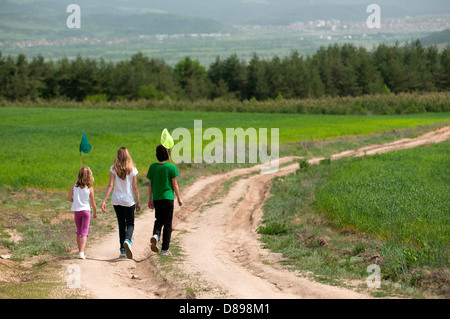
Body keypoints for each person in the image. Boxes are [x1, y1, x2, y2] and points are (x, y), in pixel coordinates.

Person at [102, 147, 141, 259]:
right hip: (128, 201)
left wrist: (104, 200)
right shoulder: (133, 169)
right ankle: (128, 240)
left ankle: (122, 251)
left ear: (117, 156)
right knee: (130, 224)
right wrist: (138, 202)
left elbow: (110, 185)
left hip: (116, 200)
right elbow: (135, 188)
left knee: (121, 224)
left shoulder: (113, 169)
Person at [147, 144, 183, 256]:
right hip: (168, 198)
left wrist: (150, 199)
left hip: (157, 199)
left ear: (157, 155)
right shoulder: (171, 167)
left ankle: (156, 236)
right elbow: (175, 185)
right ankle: (164, 250)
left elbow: (150, 185)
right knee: (167, 224)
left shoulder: (152, 167)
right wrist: (179, 198)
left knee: (158, 220)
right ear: (168, 155)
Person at [68, 167, 97, 260]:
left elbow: (69, 198)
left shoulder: (74, 186)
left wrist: (75, 201)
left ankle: (79, 251)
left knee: (79, 232)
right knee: (84, 232)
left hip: (77, 211)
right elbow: (93, 203)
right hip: (86, 211)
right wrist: (95, 212)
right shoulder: (90, 188)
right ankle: (82, 252)